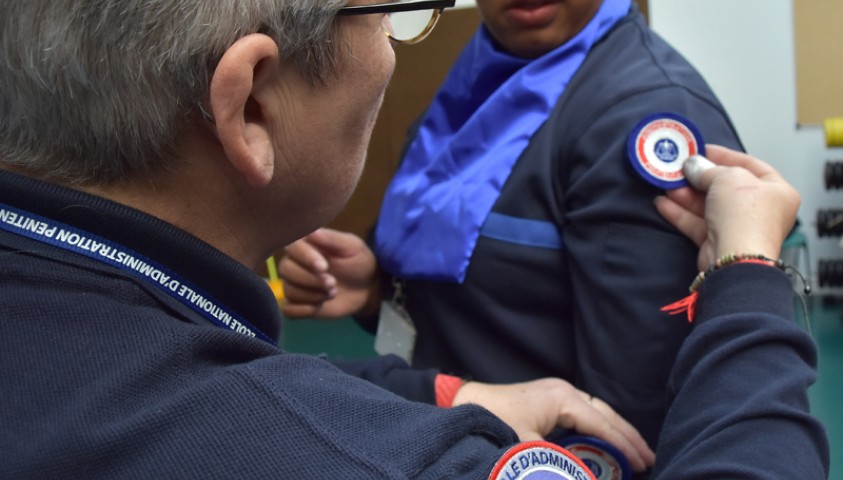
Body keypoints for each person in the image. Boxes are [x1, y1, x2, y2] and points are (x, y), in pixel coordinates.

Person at [0, 0, 827, 478]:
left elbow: (645, 415)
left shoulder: (638, 114)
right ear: (251, 107)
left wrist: (392, 315)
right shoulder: (485, 76)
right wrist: (749, 273)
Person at [279, 0, 744, 451]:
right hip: (457, 440)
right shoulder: (485, 73)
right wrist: (379, 289)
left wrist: (433, 402)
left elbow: (630, 419)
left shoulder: (638, 117)